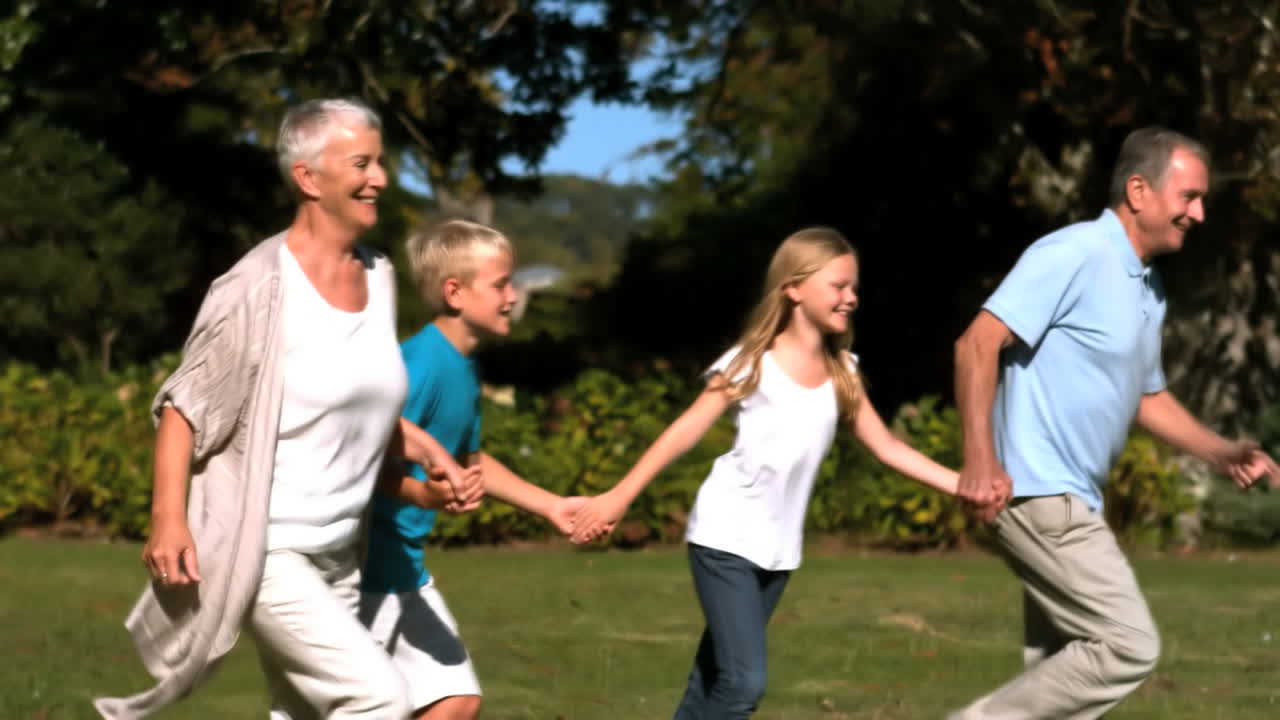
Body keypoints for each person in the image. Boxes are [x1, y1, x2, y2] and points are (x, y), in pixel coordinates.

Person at [95, 97, 443, 719]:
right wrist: (167, 520)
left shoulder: (380, 276)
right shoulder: (255, 287)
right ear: (308, 178)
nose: (381, 179)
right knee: (378, 699)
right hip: (267, 551)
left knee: (305, 713)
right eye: (362, 163)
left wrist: (423, 451)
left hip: (339, 553)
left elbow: (361, 403)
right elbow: (185, 409)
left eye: (380, 162)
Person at [949, 126, 1280, 719]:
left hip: (1075, 496)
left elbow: (1147, 398)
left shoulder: (1146, 287)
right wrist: (979, 459)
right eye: (1189, 197)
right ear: (1138, 190)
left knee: (1060, 678)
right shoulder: (1073, 254)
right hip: (1038, 491)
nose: (1199, 213)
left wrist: (1221, 451)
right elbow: (977, 343)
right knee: (1126, 647)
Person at [569, 227, 960, 719]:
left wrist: (961, 484)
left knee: (713, 679)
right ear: (794, 287)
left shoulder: (844, 373)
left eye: (853, 287)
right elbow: (685, 429)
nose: (851, 298)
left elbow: (886, 448)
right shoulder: (753, 362)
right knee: (742, 683)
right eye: (838, 286)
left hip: (778, 551)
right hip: (725, 537)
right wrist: (619, 496)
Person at [360, 219, 598, 720]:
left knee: (456, 699)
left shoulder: (463, 367)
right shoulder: (419, 364)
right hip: (364, 573)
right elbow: (370, 455)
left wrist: (551, 506)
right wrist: (424, 497)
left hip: (405, 569)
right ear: (455, 292)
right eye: (501, 284)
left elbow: (470, 461)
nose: (513, 295)